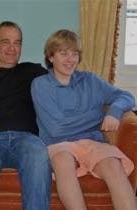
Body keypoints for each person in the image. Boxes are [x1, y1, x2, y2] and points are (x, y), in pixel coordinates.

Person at [31, 29, 137, 210]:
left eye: (74, 54)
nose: (70, 59)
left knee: (114, 165)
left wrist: (115, 111)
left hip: (92, 141)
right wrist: (98, 115)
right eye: (63, 53)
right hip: (59, 143)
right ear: (51, 57)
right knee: (63, 163)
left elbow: (126, 96)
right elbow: (57, 128)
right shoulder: (41, 84)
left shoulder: (90, 81)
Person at [0, 21, 52, 210]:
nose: (12, 48)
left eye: (18, 43)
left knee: (38, 154)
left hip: (26, 139)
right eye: (6, 42)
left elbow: (65, 79)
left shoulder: (33, 71)